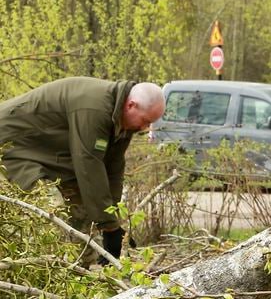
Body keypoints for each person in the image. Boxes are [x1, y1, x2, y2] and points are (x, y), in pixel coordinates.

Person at [0, 77, 165, 261]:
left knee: (82, 213)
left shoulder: (123, 121)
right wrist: (109, 227)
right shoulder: (94, 109)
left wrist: (113, 223)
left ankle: (81, 273)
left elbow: (113, 170)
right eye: (145, 121)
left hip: (47, 153)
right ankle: (51, 271)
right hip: (12, 146)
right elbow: (88, 166)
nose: (145, 128)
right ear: (131, 105)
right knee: (53, 213)